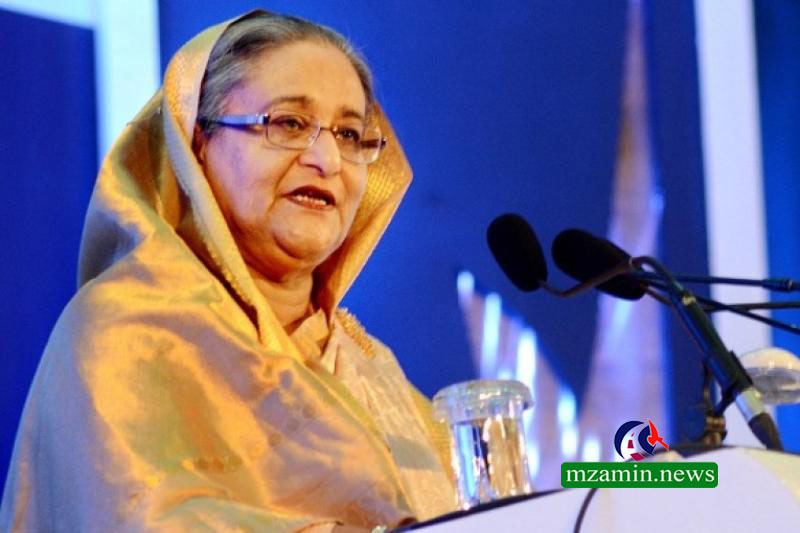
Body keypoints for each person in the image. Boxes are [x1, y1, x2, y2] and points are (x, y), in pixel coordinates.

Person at [0, 10, 455, 532]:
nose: (328, 159)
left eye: (350, 134)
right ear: (197, 144)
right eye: (289, 124)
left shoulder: (374, 374)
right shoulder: (124, 334)